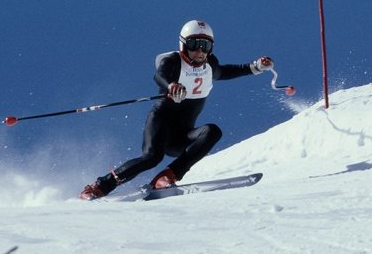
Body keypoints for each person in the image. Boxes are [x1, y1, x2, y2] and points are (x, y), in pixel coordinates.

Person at [78, 20, 273, 200]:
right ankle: (99, 187)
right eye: (194, 44)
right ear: (183, 45)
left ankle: (167, 176)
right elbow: (159, 75)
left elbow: (226, 71)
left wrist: (254, 67)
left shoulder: (209, 66)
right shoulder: (173, 61)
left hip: (181, 137)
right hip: (160, 123)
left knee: (212, 131)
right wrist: (171, 85)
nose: (199, 51)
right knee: (152, 158)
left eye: (205, 46)